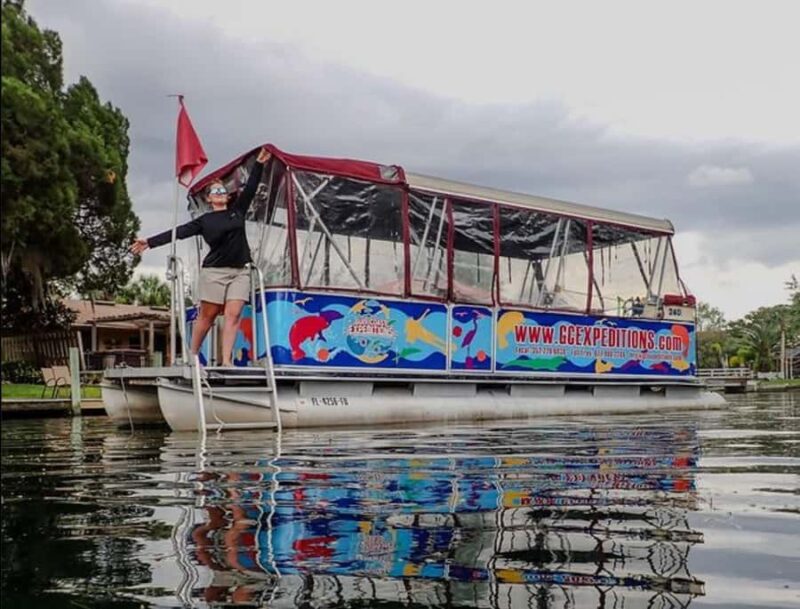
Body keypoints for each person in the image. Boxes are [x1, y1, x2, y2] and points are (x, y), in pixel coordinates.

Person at [130, 147, 271, 366]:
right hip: (214, 272)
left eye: (223, 191)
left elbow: (251, 188)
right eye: (216, 192)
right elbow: (178, 233)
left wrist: (260, 164)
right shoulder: (204, 221)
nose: (220, 194)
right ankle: (192, 354)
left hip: (240, 271)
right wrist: (149, 242)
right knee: (208, 316)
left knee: (234, 314)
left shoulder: (237, 211)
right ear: (209, 198)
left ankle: (226, 361)